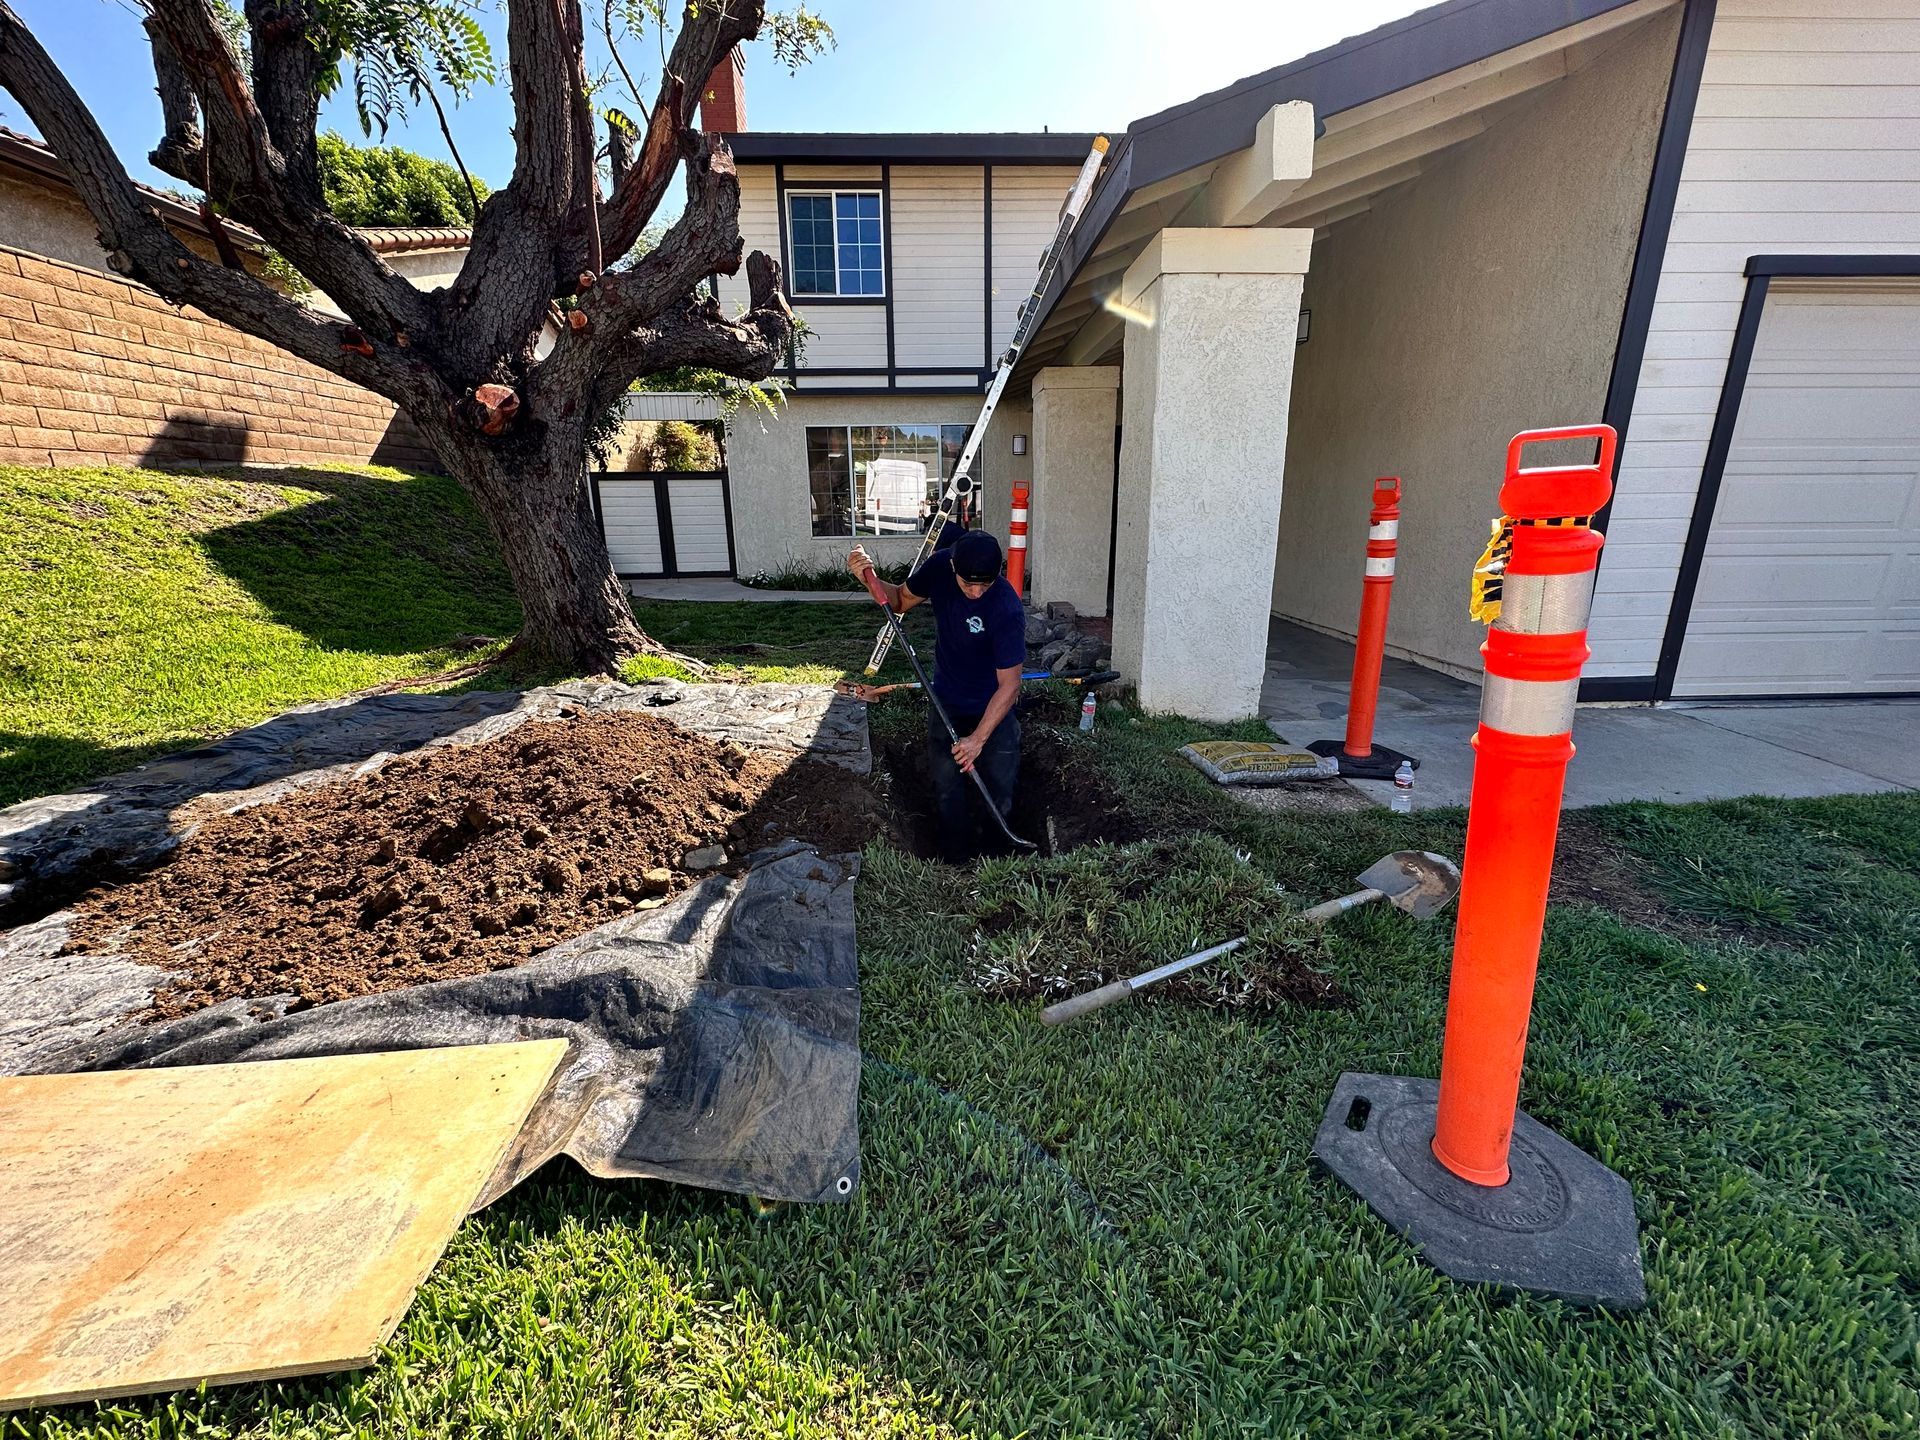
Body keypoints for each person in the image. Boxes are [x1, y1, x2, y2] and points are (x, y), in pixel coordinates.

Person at [848, 530, 1026, 863]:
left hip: (993, 710)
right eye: (967, 584)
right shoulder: (939, 567)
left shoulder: (1006, 608)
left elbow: (1010, 685)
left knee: (1000, 789)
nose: (975, 593)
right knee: (947, 789)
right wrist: (868, 578)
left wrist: (977, 740)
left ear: (997, 575)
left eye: (984, 586)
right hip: (946, 700)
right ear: (953, 567)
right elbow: (899, 599)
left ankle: (998, 861)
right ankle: (955, 861)